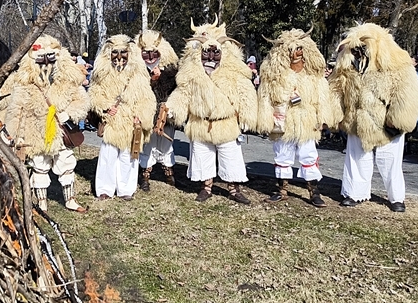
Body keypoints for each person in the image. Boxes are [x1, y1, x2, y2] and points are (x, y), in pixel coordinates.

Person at [0, 35, 90, 213]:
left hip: (60, 135)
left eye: (50, 59)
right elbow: (16, 111)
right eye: (41, 60)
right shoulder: (24, 85)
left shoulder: (68, 81)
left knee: (66, 165)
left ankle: (70, 199)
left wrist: (67, 114)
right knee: (39, 167)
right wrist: (11, 135)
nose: (46, 65)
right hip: (35, 134)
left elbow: (82, 102)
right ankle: (42, 202)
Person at [329, 23, 418, 212]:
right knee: (356, 158)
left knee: (390, 161)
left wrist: (397, 119)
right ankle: (353, 193)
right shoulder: (346, 64)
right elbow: (336, 90)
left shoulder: (398, 64)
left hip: (385, 123)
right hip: (355, 121)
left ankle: (396, 197)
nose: (359, 51)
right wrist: (334, 115)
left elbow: (407, 94)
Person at [166, 18, 258, 203]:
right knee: (202, 157)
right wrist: (173, 109)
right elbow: (182, 93)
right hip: (200, 124)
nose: (210, 56)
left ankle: (234, 189)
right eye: (206, 52)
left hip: (226, 125)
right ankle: (206, 188)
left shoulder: (233, 74)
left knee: (231, 157)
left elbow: (245, 94)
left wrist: (248, 116)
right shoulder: (191, 74)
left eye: (215, 52)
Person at [256, 28, 336, 207]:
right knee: (282, 155)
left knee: (308, 155)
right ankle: (281, 189)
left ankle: (314, 191)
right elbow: (265, 98)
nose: (296, 53)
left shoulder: (314, 77)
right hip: (282, 122)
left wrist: (322, 119)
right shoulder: (275, 77)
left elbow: (322, 99)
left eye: (299, 48)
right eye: (291, 50)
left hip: (307, 122)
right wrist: (266, 120)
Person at [89, 34, 156, 200]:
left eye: (123, 53)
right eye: (115, 52)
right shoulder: (102, 75)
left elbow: (146, 98)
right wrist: (104, 107)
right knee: (108, 156)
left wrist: (140, 117)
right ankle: (105, 189)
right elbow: (95, 94)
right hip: (111, 122)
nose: (119, 57)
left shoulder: (139, 75)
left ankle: (126, 189)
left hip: (129, 122)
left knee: (128, 157)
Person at [135, 30, 179, 191]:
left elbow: (177, 89)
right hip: (147, 113)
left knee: (167, 143)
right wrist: (152, 80)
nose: (151, 57)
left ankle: (169, 171)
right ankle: (145, 173)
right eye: (146, 54)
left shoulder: (172, 70)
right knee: (148, 143)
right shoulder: (138, 72)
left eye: (154, 53)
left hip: (166, 112)